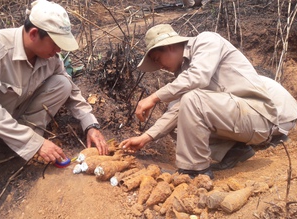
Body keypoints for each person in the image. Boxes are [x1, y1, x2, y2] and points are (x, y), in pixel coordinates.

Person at [0, 0, 108, 218]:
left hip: (10, 113)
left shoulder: (50, 57)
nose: (59, 50)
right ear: (33, 34)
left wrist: (90, 124)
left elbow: (71, 90)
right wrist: (35, 143)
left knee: (63, 83)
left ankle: (10, 149)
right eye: (55, 43)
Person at [120, 24, 297, 179]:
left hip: (258, 116)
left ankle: (195, 172)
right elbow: (178, 110)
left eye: (158, 59)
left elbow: (199, 78)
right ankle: (233, 151)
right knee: (181, 114)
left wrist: (154, 97)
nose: (160, 66)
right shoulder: (184, 72)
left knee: (192, 100)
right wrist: (145, 138)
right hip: (241, 120)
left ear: (171, 46)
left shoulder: (206, 41)